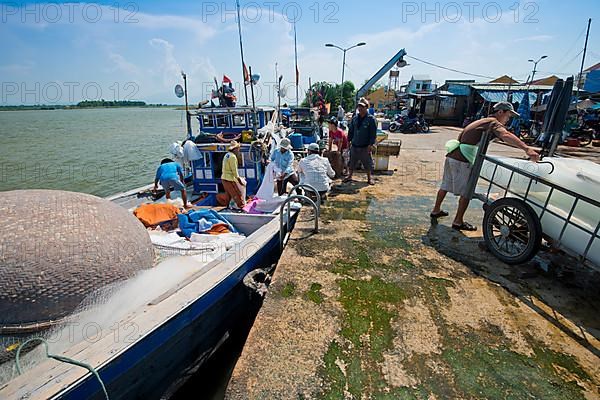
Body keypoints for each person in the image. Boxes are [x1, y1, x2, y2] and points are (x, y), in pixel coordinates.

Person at [430, 101, 540, 231]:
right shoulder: (493, 123)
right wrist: (527, 149)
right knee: (467, 191)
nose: (508, 119)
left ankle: (436, 210)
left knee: (446, 184)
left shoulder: (484, 121)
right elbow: (505, 135)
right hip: (462, 159)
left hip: (453, 155)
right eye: (508, 116)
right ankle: (458, 221)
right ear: (500, 112)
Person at [345, 97, 377, 185]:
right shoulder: (355, 118)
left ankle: (369, 178)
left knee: (367, 163)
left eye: (362, 107)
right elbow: (351, 130)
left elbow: (373, 133)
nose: (360, 108)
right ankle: (349, 176)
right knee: (351, 162)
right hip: (355, 145)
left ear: (367, 107)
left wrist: (371, 144)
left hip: (365, 146)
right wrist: (348, 141)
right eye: (359, 106)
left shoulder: (371, 119)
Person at [221, 141, 246, 209]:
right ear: (235, 149)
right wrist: (239, 179)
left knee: (228, 194)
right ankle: (241, 207)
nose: (238, 150)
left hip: (223, 178)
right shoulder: (233, 157)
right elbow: (234, 170)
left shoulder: (226, 155)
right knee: (236, 193)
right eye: (238, 148)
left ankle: (227, 207)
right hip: (229, 179)